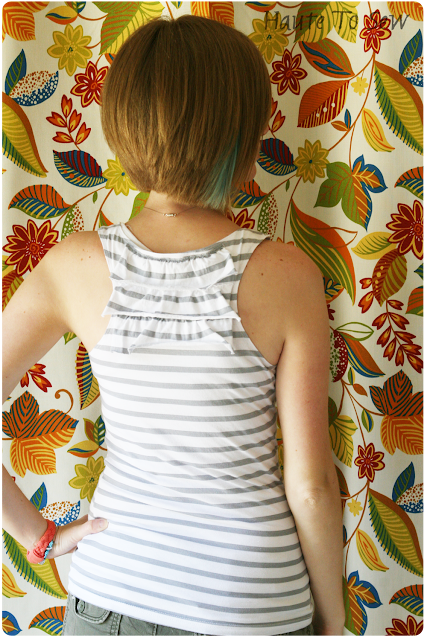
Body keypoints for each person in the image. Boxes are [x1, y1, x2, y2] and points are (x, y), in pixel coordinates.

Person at [2, 14, 345, 638]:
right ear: (241, 132)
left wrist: (38, 536)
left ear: (123, 125)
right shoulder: (288, 274)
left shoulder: (74, 264)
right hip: (251, 601)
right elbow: (313, 486)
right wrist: (333, 620)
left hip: (111, 595)